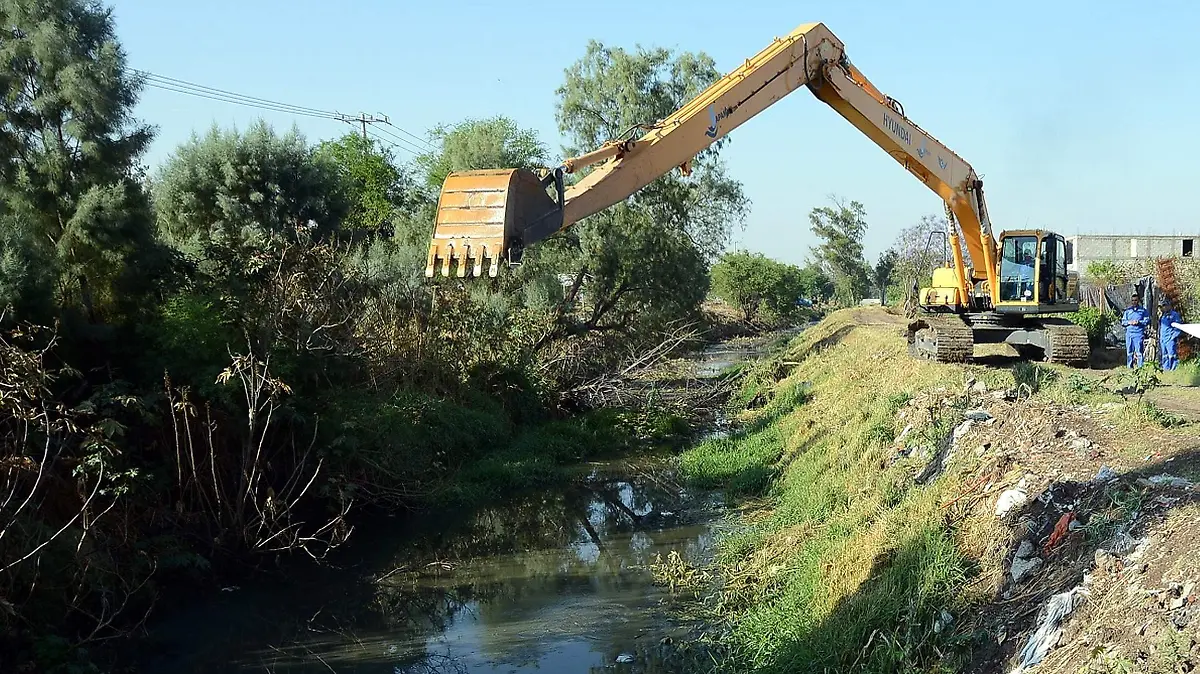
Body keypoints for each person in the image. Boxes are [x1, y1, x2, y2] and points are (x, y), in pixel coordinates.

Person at [1122, 293, 1150, 368]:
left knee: (1139, 352)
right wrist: (1129, 322)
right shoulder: (1128, 311)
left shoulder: (1143, 311)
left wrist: (1139, 322)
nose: (1134, 302)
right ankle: (1129, 367)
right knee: (1129, 352)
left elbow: (1147, 321)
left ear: (1138, 301)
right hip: (1129, 334)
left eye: (1136, 300)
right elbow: (1123, 322)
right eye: (1133, 300)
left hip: (1138, 334)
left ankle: (1140, 367)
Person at [1159, 298, 1182, 371]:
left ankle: (1173, 369)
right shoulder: (1163, 315)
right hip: (1163, 339)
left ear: (1169, 306)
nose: (1165, 307)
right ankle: (1166, 369)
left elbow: (1178, 327)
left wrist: (1173, 337)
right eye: (1163, 306)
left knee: (1172, 355)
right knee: (1164, 355)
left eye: (1166, 305)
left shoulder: (1174, 315)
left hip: (1170, 338)